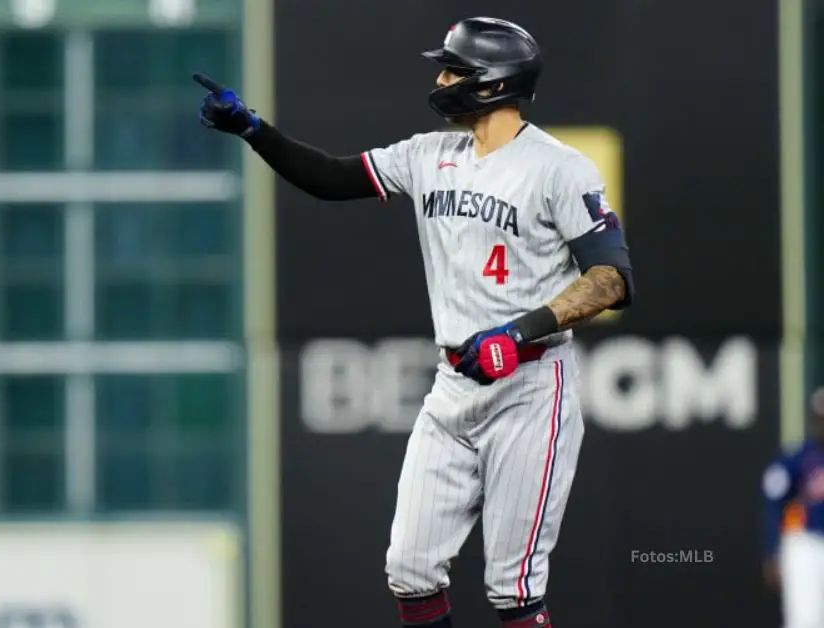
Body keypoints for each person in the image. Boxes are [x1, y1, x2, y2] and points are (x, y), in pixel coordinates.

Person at [194, 16, 635, 628]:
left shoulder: (560, 169)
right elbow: (331, 178)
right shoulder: (430, 154)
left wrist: (520, 330)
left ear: (491, 84)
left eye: (454, 68)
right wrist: (253, 131)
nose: (441, 78)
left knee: (513, 590)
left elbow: (612, 279)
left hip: (532, 387)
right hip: (453, 385)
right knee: (409, 569)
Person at [762, 387, 824, 628]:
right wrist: (771, 550)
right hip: (806, 545)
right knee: (806, 620)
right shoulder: (799, 457)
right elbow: (773, 500)